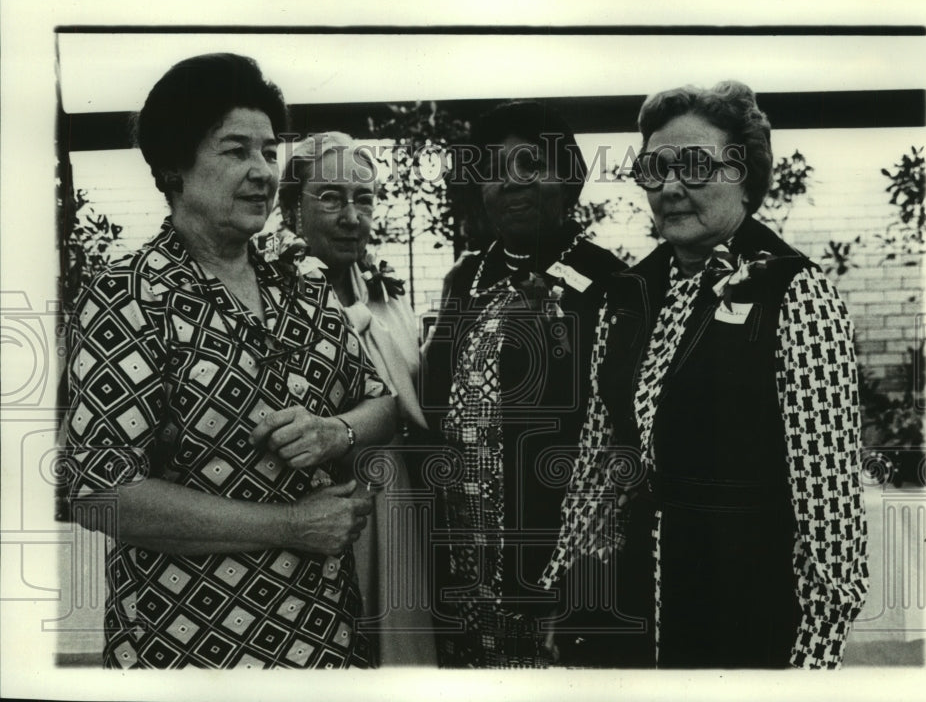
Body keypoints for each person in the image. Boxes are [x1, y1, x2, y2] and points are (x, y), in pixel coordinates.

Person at [60, 53, 397, 669]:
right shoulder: (129, 295)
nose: (263, 171)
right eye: (235, 150)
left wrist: (334, 432)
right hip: (186, 645)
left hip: (327, 641)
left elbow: (382, 403)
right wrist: (290, 526)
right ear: (174, 168)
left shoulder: (301, 283)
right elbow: (99, 492)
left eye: (269, 152)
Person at [541, 81, 870, 669]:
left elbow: (831, 507)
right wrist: (568, 593)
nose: (670, 187)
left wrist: (813, 659)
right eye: (654, 169)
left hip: (746, 605)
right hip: (630, 605)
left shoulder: (796, 292)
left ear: (746, 176)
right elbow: (597, 464)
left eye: (694, 166)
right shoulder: (629, 294)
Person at [420, 100, 626, 668]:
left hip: (559, 561)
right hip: (464, 562)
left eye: (530, 163)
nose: (510, 181)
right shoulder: (464, 279)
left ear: (569, 178)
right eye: (493, 166)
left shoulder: (609, 283)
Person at [271, 131, 436, 665]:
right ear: (292, 206)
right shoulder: (271, 293)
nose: (351, 216)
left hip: (395, 495)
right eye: (330, 197)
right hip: (315, 502)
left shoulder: (387, 298)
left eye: (363, 199)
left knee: (399, 640)